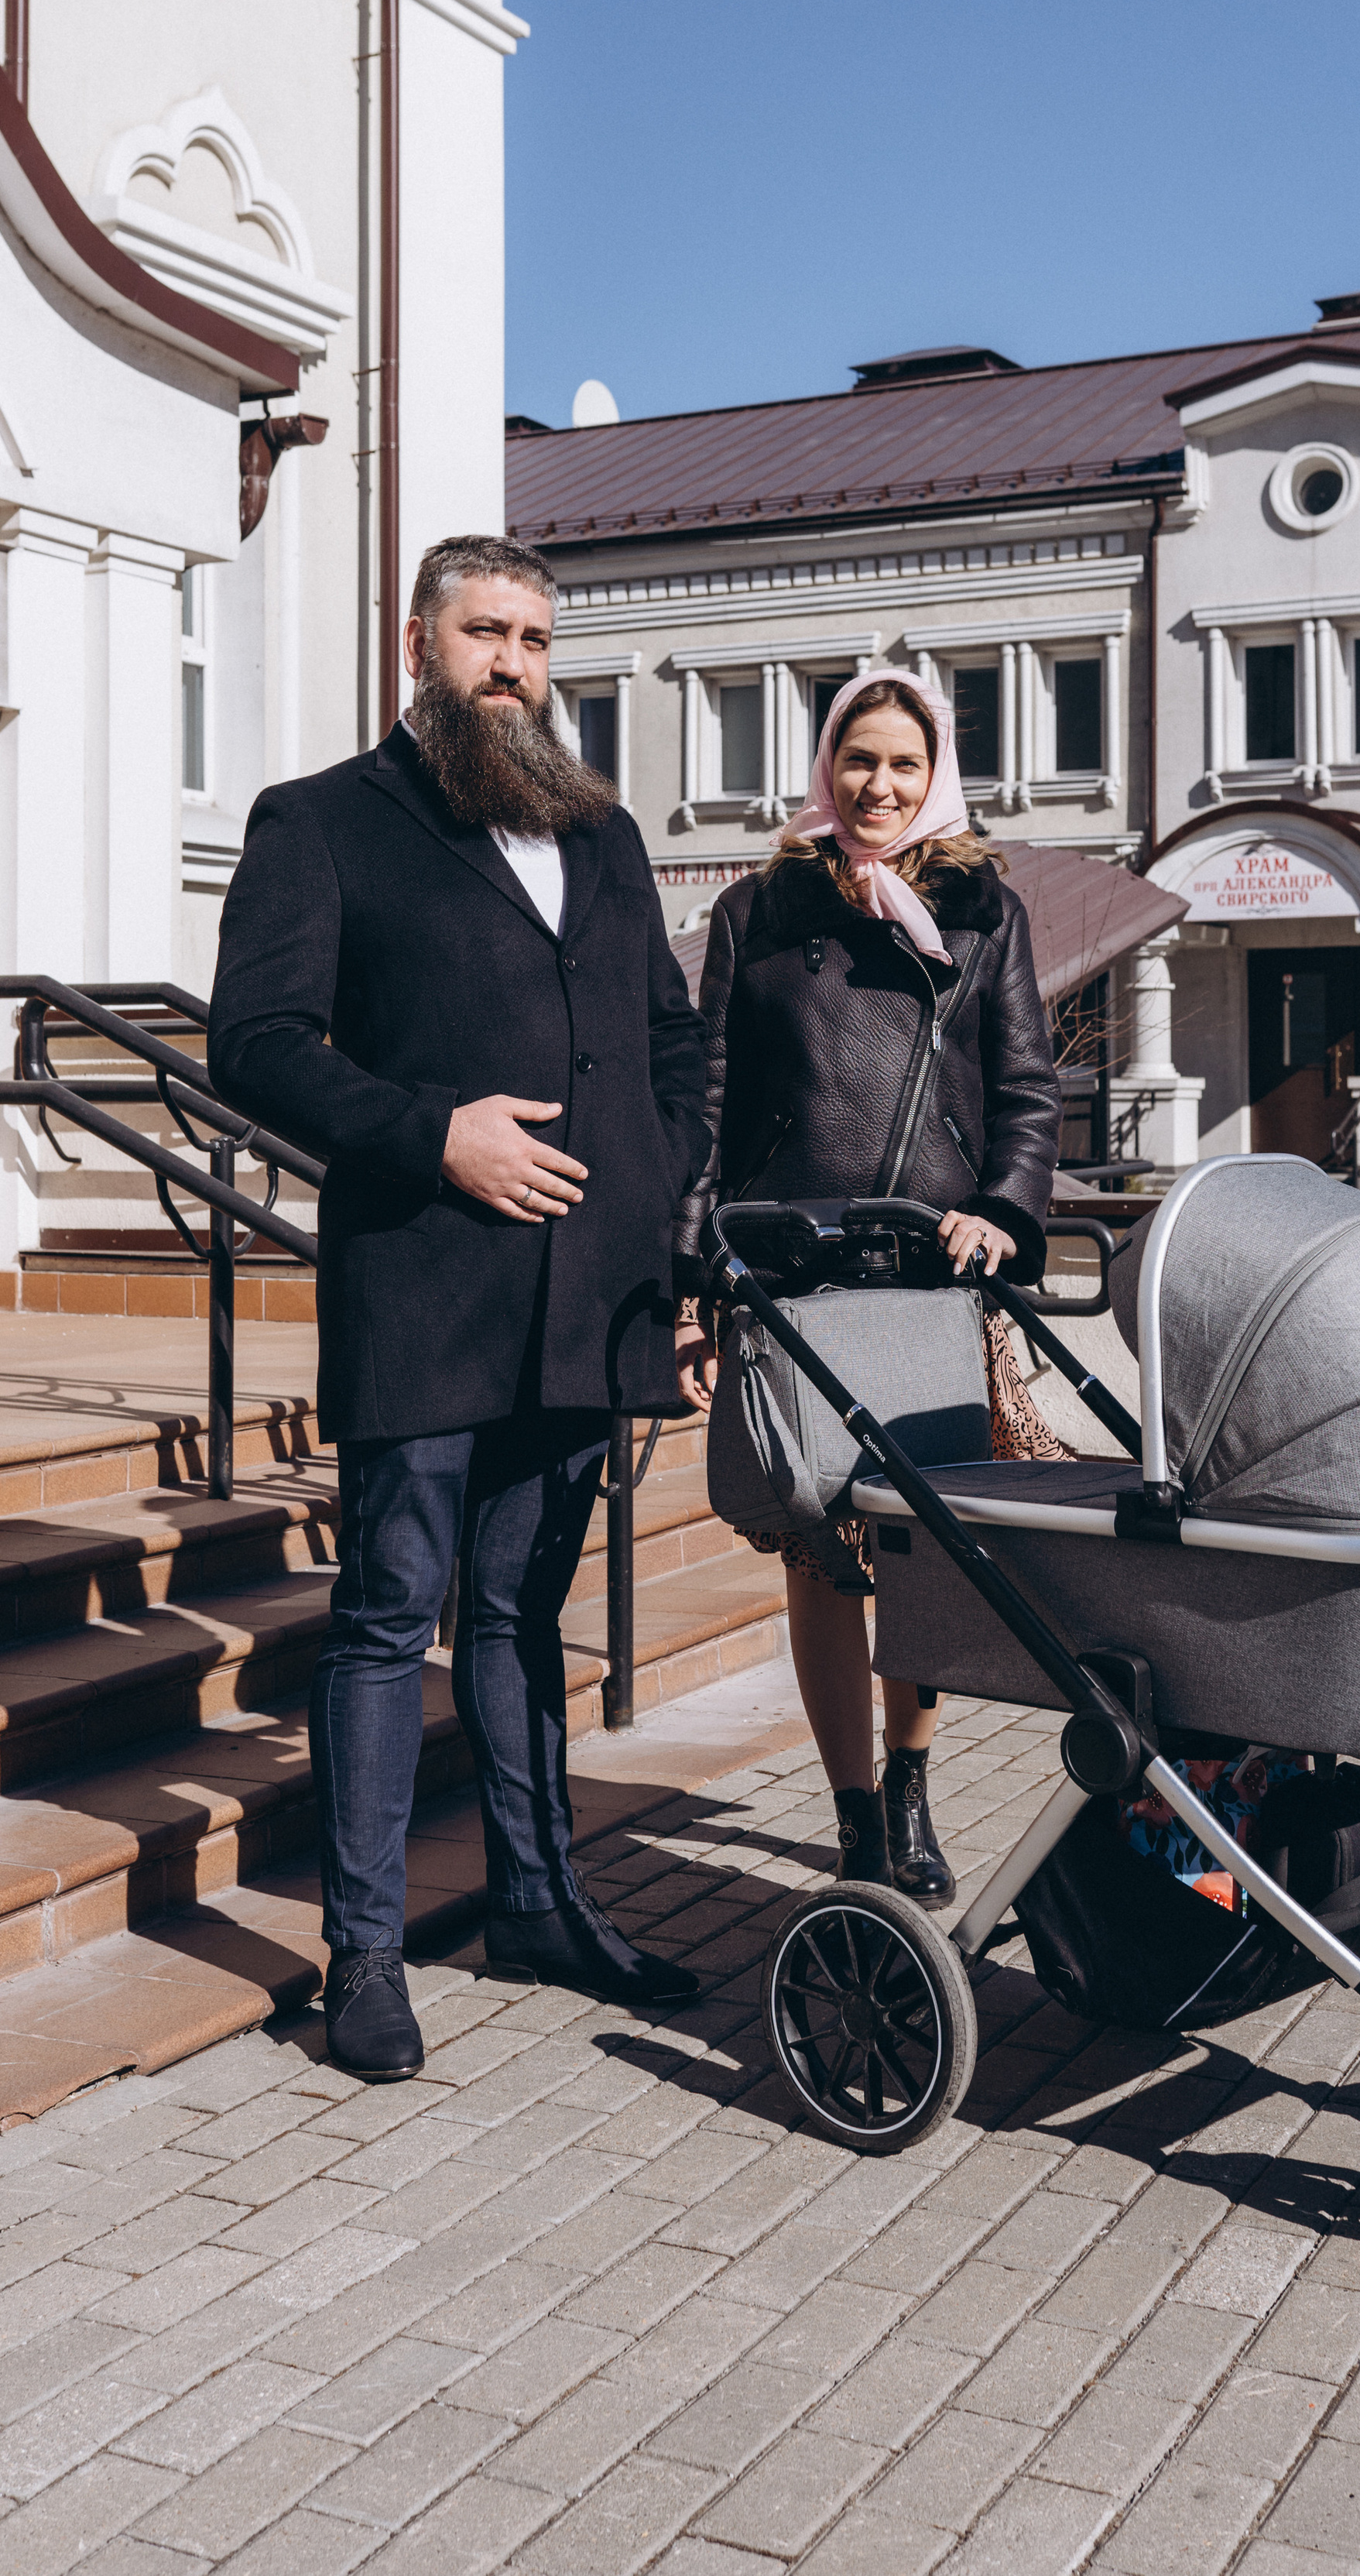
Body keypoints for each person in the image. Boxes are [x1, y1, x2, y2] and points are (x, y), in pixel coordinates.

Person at [208, 536, 711, 2080]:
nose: (512, 662)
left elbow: (670, 1049)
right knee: (384, 1618)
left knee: (520, 1613)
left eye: (536, 639)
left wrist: (654, 1201)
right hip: (425, 1286)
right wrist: (434, 1133)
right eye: (484, 631)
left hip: (585, 1299)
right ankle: (362, 1954)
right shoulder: (322, 824)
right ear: (415, 643)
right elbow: (259, 1045)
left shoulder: (606, 838)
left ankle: (538, 1902)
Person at [673, 671, 1062, 1906]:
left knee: (919, 1553)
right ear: (824, 770)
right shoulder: (758, 911)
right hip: (794, 1269)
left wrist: (1003, 1212)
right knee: (817, 1555)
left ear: (934, 771)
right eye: (857, 763)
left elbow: (1028, 1092)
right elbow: (709, 1110)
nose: (878, 788)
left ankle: (909, 1779)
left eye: (902, 765)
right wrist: (698, 1278)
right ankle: (852, 1818)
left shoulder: (985, 909)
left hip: (930, 1266)